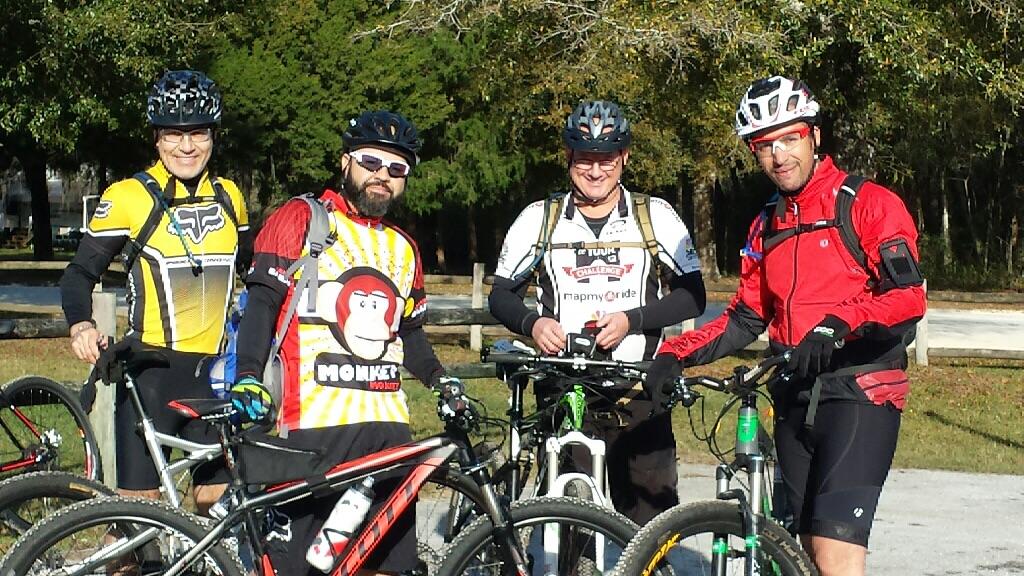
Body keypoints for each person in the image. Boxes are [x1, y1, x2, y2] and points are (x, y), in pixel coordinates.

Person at [645, 76, 926, 576]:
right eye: (764, 146)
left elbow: (908, 296)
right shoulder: (767, 224)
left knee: (834, 551)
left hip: (860, 391)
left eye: (789, 138)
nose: (779, 156)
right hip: (794, 394)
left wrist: (840, 322)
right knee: (789, 551)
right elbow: (743, 317)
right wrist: (674, 355)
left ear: (814, 136)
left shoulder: (868, 204)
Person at [230, 110, 456, 576]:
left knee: (386, 567)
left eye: (397, 169)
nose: (383, 176)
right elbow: (261, 306)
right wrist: (249, 377)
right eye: (371, 162)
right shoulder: (302, 218)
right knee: (303, 570)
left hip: (388, 434)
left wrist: (441, 382)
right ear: (345, 162)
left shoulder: (404, 248)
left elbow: (410, 334)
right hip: (313, 430)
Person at [489, 99, 706, 525]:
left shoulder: (655, 216)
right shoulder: (540, 218)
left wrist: (633, 320)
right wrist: (534, 324)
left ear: (624, 157)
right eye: (585, 159)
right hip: (566, 388)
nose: (595, 171)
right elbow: (501, 295)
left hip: (640, 389)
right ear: (568, 157)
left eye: (606, 159)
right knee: (572, 527)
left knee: (652, 525)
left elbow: (692, 295)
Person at [60, 70, 251, 510]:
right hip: (151, 376)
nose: (186, 147)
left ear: (213, 136)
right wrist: (81, 326)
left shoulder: (230, 196)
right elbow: (79, 274)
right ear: (156, 139)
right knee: (137, 515)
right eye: (173, 134)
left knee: (218, 506)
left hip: (214, 375)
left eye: (197, 133)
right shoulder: (130, 196)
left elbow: (256, 273)